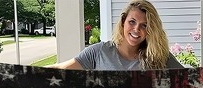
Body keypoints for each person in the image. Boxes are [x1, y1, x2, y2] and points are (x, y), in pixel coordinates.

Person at [50, 0, 184, 70]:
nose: (136, 29)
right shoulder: (98, 52)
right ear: (123, 21)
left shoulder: (159, 56)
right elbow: (60, 70)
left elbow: (189, 79)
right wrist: (35, 73)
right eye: (132, 22)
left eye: (144, 25)